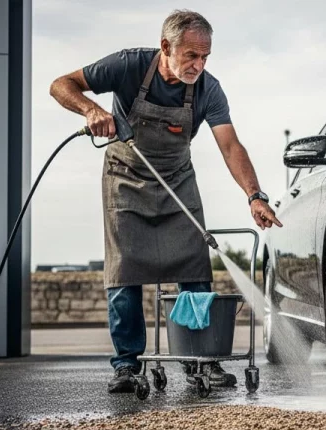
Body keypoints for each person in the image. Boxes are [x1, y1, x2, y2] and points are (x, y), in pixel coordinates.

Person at [49, 9, 282, 393]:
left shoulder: (208, 89)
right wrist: (91, 109)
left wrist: (254, 195)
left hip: (177, 180)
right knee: (124, 273)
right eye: (191, 55)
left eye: (205, 56)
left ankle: (201, 361)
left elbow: (229, 145)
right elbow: (61, 84)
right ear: (165, 47)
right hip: (125, 179)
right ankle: (126, 365)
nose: (198, 64)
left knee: (195, 269)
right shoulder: (128, 66)